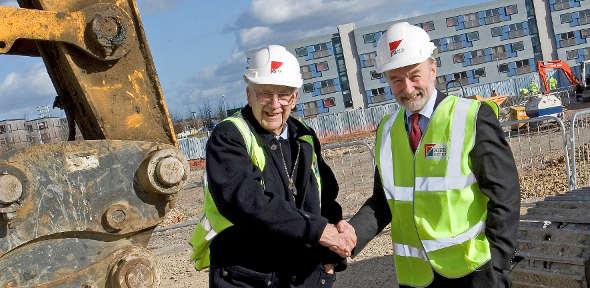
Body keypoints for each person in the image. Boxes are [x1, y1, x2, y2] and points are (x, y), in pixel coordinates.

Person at [348, 22, 521, 288]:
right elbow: (383, 203)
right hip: (416, 277)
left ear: (432, 68)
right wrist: (349, 237)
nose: (406, 88)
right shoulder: (387, 130)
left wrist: (497, 265)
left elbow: (505, 195)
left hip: (473, 273)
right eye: (396, 79)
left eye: (414, 75)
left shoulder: (471, 117)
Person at [190, 45, 356, 288]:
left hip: (299, 275)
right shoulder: (230, 135)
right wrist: (319, 230)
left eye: (284, 94)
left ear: (295, 97)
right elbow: (247, 201)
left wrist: (336, 222)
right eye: (265, 94)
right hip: (246, 276)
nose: (275, 104)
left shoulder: (304, 136)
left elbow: (324, 194)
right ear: (249, 94)